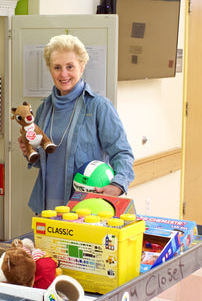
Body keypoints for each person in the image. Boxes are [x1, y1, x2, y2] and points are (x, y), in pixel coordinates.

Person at [19, 34, 134, 214]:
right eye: (57, 67)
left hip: (84, 209)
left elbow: (122, 153)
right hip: (46, 207)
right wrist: (29, 151)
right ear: (50, 69)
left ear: (82, 66)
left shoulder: (99, 107)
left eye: (70, 67)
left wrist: (118, 184)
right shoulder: (44, 109)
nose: (63, 74)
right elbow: (44, 160)